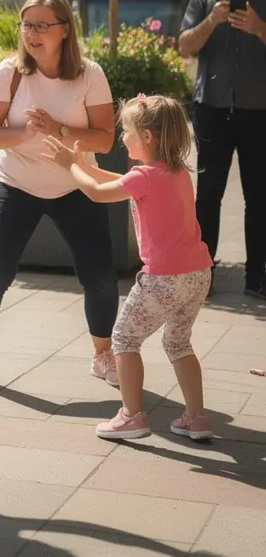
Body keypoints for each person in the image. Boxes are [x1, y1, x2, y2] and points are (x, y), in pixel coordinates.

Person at [0, 0, 119, 388]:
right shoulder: (10, 72)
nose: (32, 33)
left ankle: (103, 354)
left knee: (100, 274)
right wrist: (23, 132)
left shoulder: (90, 74)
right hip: (14, 181)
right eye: (27, 25)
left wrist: (60, 130)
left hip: (75, 183)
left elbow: (104, 139)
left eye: (41, 25)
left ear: (64, 31)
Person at [44, 94, 213, 441]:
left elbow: (96, 193)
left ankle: (132, 416)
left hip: (164, 278)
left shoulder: (144, 178)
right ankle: (196, 418)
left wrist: (68, 165)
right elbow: (117, 181)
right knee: (179, 342)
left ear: (147, 138)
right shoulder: (175, 171)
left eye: (127, 131)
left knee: (123, 337)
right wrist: (85, 166)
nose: (123, 137)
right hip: (198, 273)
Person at [178, 0, 266, 299]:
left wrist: (260, 29)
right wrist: (211, 22)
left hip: (258, 112)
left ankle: (257, 277)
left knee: (259, 197)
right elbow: (184, 45)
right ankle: (204, 274)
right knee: (208, 195)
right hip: (211, 110)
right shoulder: (203, 0)